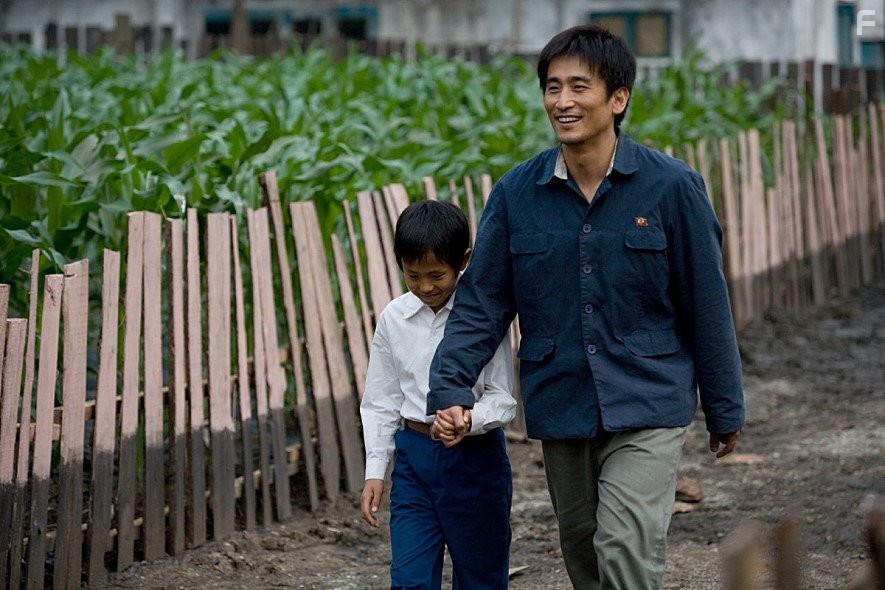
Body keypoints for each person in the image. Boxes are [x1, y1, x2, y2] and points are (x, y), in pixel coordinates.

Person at [427, 24, 745, 590]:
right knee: (583, 551)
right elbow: (482, 303)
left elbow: (707, 302)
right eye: (553, 87)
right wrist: (450, 386)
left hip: (648, 397)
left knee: (623, 546)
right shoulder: (516, 195)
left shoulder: (672, 188)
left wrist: (724, 406)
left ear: (618, 98)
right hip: (562, 400)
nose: (563, 101)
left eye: (579, 86)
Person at [359, 199, 517, 589]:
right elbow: (381, 401)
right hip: (414, 461)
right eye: (413, 275)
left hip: (475, 461)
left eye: (436, 275)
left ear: (463, 260)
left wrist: (469, 418)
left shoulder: (483, 318)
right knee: (409, 578)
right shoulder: (394, 318)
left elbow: (502, 398)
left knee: (480, 578)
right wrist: (375, 471)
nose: (426, 287)